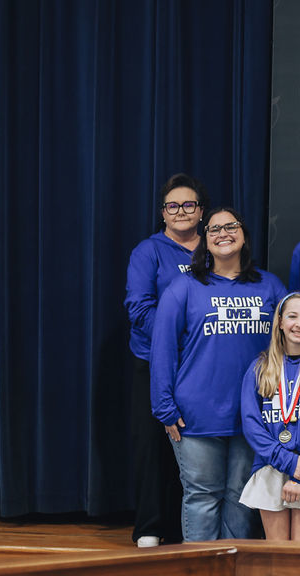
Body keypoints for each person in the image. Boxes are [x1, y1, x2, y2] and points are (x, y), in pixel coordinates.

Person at [151, 207, 286, 541]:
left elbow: (291, 345)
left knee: (242, 496)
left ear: (244, 234)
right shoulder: (183, 287)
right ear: (205, 241)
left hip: (254, 414)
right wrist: (164, 406)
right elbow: (163, 350)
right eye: (214, 229)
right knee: (202, 496)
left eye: (231, 226)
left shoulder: (270, 286)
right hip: (196, 415)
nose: (223, 233)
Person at [125, 173, 208, 547]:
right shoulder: (149, 251)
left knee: (195, 446)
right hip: (154, 362)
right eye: (173, 206)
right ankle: (150, 529)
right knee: (152, 448)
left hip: (200, 366)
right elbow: (138, 307)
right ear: (163, 213)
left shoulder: (214, 247)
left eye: (188, 204)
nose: (181, 211)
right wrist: (180, 334)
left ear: (201, 211)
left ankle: (183, 529)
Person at [239, 292, 300, 541]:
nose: (299, 324)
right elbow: (252, 425)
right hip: (271, 466)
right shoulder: (259, 368)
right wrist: (287, 461)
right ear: (280, 322)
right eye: (292, 316)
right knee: (277, 552)